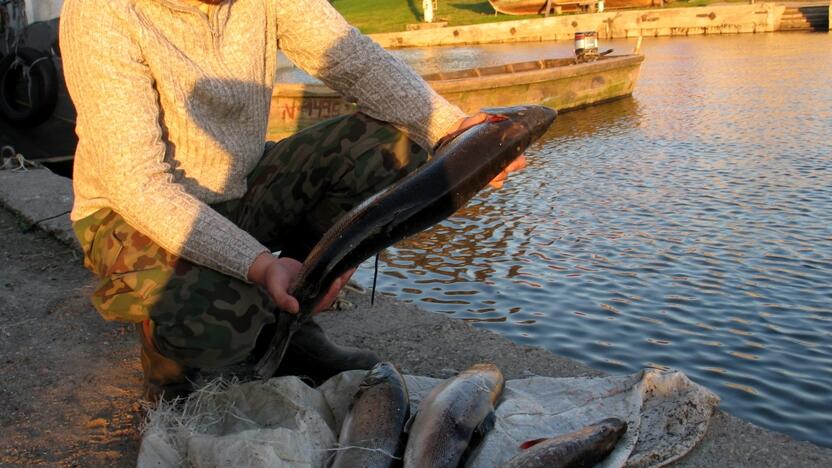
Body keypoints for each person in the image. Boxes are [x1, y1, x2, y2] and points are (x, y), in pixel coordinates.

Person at [60, 0, 524, 401]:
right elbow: (138, 182)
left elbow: (352, 59)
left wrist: (451, 131)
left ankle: (291, 324)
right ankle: (167, 360)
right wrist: (259, 264)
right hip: (127, 214)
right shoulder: (103, 13)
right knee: (225, 322)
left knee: (388, 144)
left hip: (238, 184)